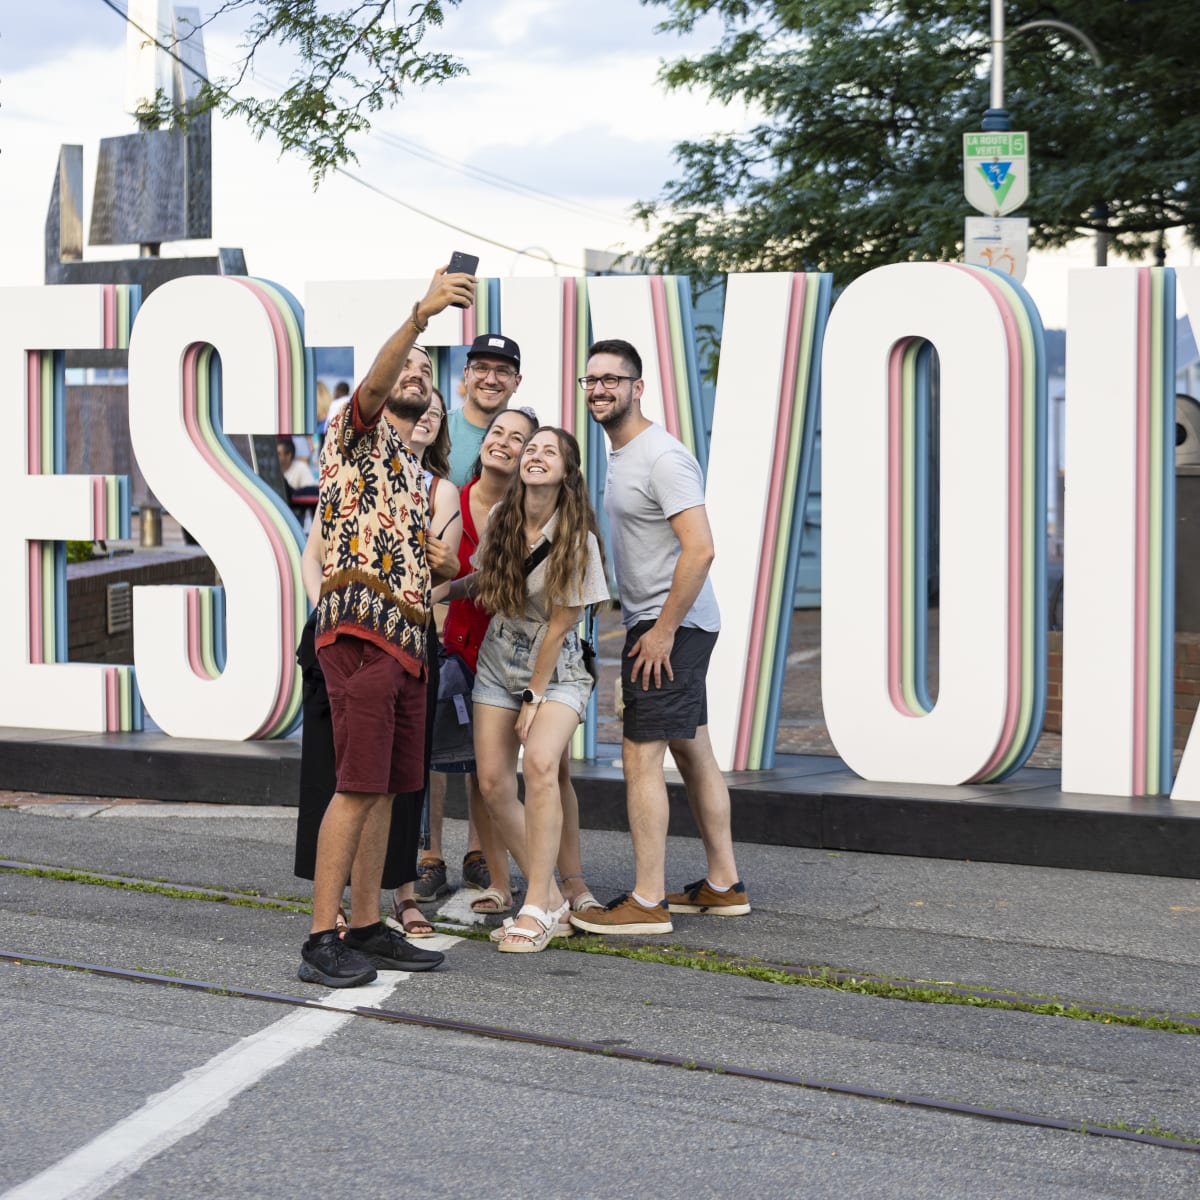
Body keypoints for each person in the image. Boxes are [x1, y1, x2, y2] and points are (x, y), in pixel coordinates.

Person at [295, 266, 473, 987]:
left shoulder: (409, 468)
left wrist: (435, 562)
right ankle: (320, 938)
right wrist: (420, 317)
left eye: (426, 371)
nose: (415, 373)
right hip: (361, 637)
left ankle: (367, 924)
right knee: (358, 783)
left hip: (409, 645)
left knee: (391, 791)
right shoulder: (352, 430)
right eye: (407, 364)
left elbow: (421, 568)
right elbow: (372, 384)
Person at [570, 339, 750, 937]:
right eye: (590, 380)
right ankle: (723, 884)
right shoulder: (623, 454)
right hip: (666, 621)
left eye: (611, 380)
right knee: (692, 750)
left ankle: (647, 899)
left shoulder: (662, 457)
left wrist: (662, 631)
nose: (599, 389)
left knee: (639, 755)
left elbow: (701, 548)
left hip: (674, 625)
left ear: (637, 387)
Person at [446, 427, 610, 952]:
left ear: (568, 472)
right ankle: (555, 897)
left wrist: (534, 698)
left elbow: (562, 626)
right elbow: (483, 583)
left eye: (549, 452)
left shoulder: (578, 540)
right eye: (530, 449)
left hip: (556, 671)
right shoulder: (501, 520)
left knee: (540, 765)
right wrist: (431, 591)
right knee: (493, 785)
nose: (535, 456)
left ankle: (537, 904)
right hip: (498, 661)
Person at [388, 386, 467, 938]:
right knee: (353, 773)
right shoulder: (356, 471)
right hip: (351, 632)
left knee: (407, 771)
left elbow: (441, 573)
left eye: (436, 415)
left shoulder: (443, 491)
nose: (425, 419)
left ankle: (404, 893)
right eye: (418, 410)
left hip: (414, 639)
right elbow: (317, 552)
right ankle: (342, 893)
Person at [446, 333, 523, 486]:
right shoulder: (437, 428)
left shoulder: (528, 440)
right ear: (466, 374)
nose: (491, 380)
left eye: (502, 371)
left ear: (517, 382)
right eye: (481, 368)